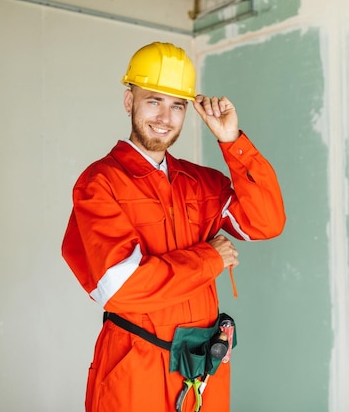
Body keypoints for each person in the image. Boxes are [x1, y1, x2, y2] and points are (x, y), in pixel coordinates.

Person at [61, 41, 286, 412]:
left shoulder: (201, 183)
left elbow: (266, 222)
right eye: (154, 101)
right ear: (128, 101)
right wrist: (209, 258)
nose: (165, 117)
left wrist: (232, 141)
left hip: (202, 369)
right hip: (137, 367)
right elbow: (122, 287)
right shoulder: (100, 184)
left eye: (177, 106)